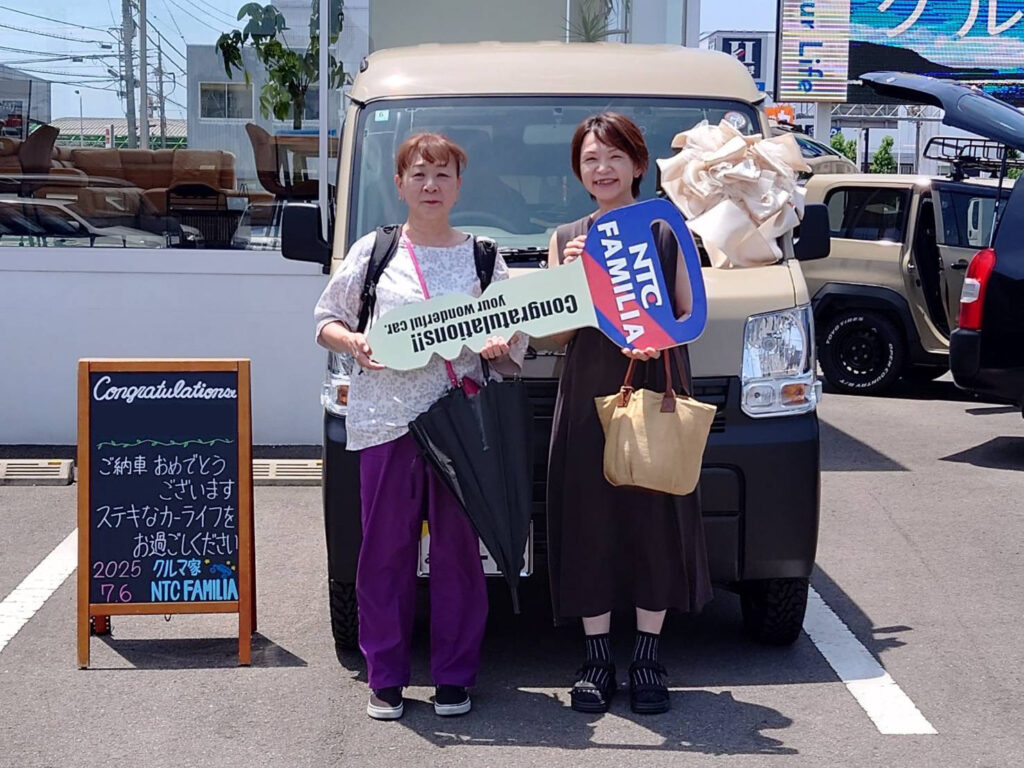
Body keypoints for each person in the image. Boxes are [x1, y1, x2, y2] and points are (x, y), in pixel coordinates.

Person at [314, 132, 527, 721]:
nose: (430, 185)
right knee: (383, 553)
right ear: (400, 183)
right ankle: (385, 676)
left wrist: (499, 341)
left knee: (460, 555)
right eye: (419, 174)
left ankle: (455, 677)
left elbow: (516, 333)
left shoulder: (484, 256)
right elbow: (326, 319)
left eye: (442, 175)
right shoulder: (375, 251)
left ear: (459, 185)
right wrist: (355, 342)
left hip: (461, 426)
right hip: (386, 421)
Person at [545, 113, 712, 715]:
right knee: (587, 517)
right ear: (580, 172)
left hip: (655, 381)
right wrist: (576, 272)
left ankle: (647, 654)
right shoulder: (566, 235)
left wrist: (659, 338)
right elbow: (558, 334)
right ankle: (595, 658)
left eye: (614, 156)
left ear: (638, 164)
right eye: (591, 160)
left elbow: (692, 312)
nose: (602, 169)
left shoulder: (669, 228)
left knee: (653, 515)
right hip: (590, 382)